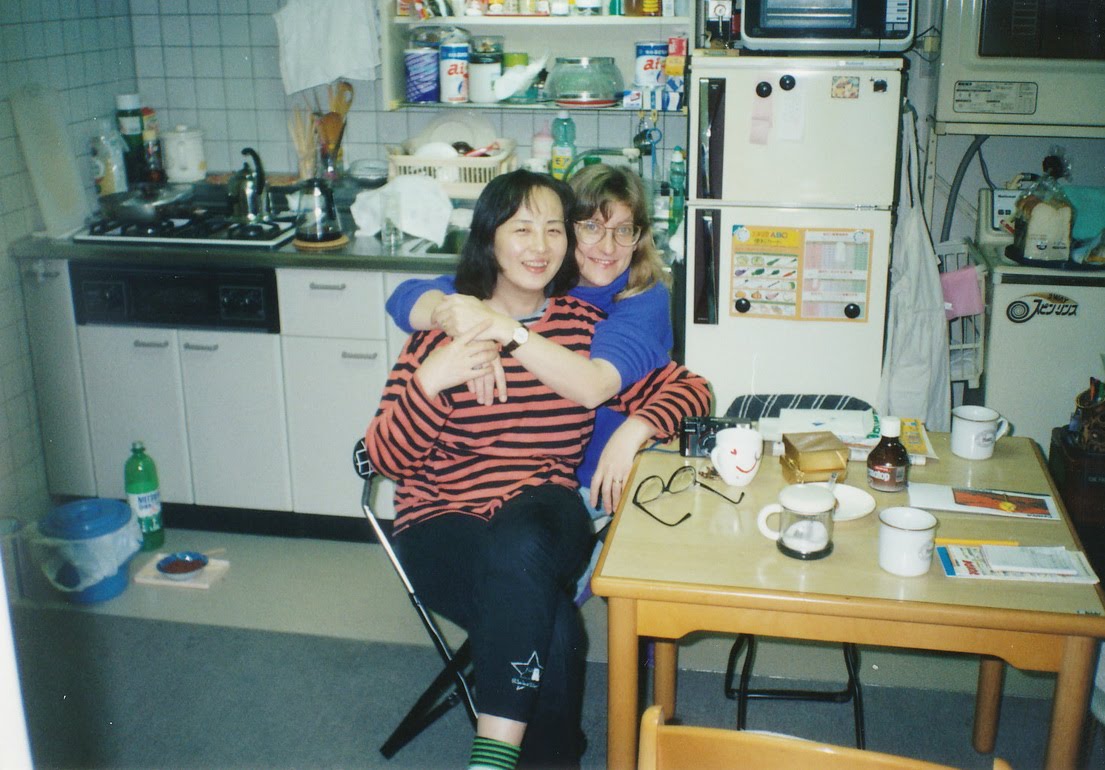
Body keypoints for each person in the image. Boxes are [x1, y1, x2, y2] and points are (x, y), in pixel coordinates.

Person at [365, 169, 711, 770]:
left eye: (553, 229)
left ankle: (493, 757)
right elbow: (387, 459)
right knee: (556, 630)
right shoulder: (443, 331)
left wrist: (637, 425)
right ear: (490, 239)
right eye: (522, 229)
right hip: (440, 520)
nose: (540, 245)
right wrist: (431, 383)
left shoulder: (582, 330)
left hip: (543, 510)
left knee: (523, 543)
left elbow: (692, 389)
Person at [386, 164, 675, 518]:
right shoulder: (539, 280)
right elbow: (407, 297)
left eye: (623, 230)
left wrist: (635, 430)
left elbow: (595, 386)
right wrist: (460, 320)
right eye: (591, 227)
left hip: (598, 482)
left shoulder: (643, 299)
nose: (608, 246)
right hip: (522, 483)